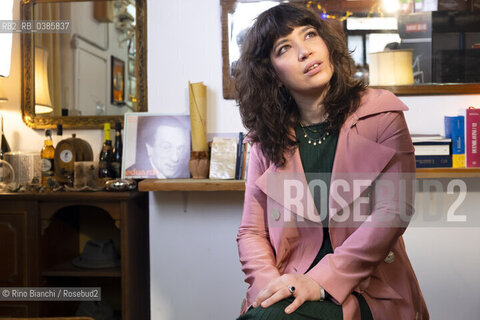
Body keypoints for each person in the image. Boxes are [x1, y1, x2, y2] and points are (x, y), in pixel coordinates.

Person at [234, 4, 428, 320]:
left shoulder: (382, 115)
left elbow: (394, 211)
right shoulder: (264, 140)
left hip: (366, 285)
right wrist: (270, 287)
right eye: (285, 48)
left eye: (310, 35)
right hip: (290, 282)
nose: (305, 51)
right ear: (272, 74)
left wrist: (319, 282)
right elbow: (251, 232)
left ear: (326, 42)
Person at [125, 115, 190, 179]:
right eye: (166, 147)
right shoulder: (132, 177)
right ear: (149, 148)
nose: (175, 158)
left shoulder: (186, 173)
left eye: (180, 148)